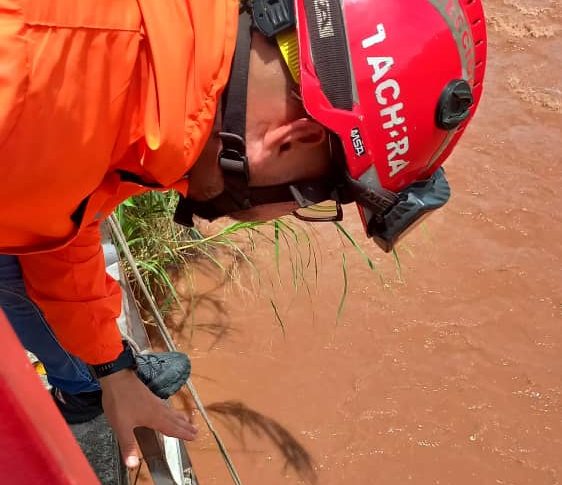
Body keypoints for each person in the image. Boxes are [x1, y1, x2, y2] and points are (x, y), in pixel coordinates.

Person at [0, 0, 487, 469]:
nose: (285, 214)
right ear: (293, 139)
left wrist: (111, 368)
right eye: (307, 201)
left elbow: (68, 222)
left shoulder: (151, 88)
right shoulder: (32, 69)